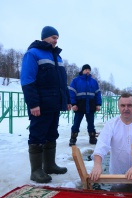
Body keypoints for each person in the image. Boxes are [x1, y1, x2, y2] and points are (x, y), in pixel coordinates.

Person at [21, 26, 72, 183]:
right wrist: (33, 104)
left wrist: (68, 100)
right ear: (44, 37)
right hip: (41, 105)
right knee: (37, 135)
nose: (55, 40)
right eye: (52, 37)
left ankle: (49, 165)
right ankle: (36, 171)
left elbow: (63, 83)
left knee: (51, 134)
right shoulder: (33, 53)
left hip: (55, 104)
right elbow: (27, 80)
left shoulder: (58, 57)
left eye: (57, 38)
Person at [89, 93, 132, 189]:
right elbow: (101, 145)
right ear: (118, 107)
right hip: (118, 172)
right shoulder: (111, 124)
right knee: (117, 192)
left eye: (129, 105)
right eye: (123, 105)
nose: (126, 108)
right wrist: (97, 164)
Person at [68, 64, 102, 146]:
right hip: (79, 105)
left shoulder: (93, 82)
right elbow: (71, 93)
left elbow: (97, 93)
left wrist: (98, 104)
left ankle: (92, 138)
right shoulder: (76, 81)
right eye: (86, 69)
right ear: (82, 71)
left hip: (90, 105)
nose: (87, 71)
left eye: (88, 70)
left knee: (91, 123)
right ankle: (73, 139)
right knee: (76, 123)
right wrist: (73, 104)